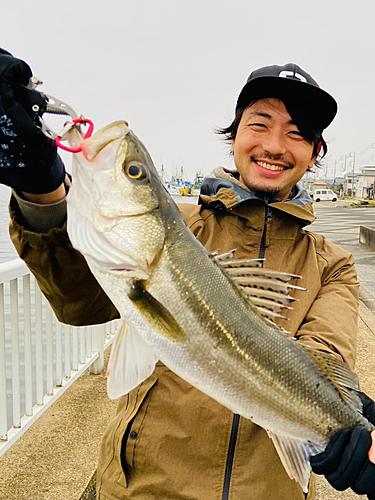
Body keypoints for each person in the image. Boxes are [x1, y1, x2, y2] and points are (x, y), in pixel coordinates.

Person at [1, 50, 375, 500]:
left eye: (297, 134)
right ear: (234, 137)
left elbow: (323, 354)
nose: (275, 145)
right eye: (259, 124)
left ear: (315, 154)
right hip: (140, 490)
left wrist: (343, 430)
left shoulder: (333, 263)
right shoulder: (181, 225)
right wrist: (40, 185)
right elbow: (78, 302)